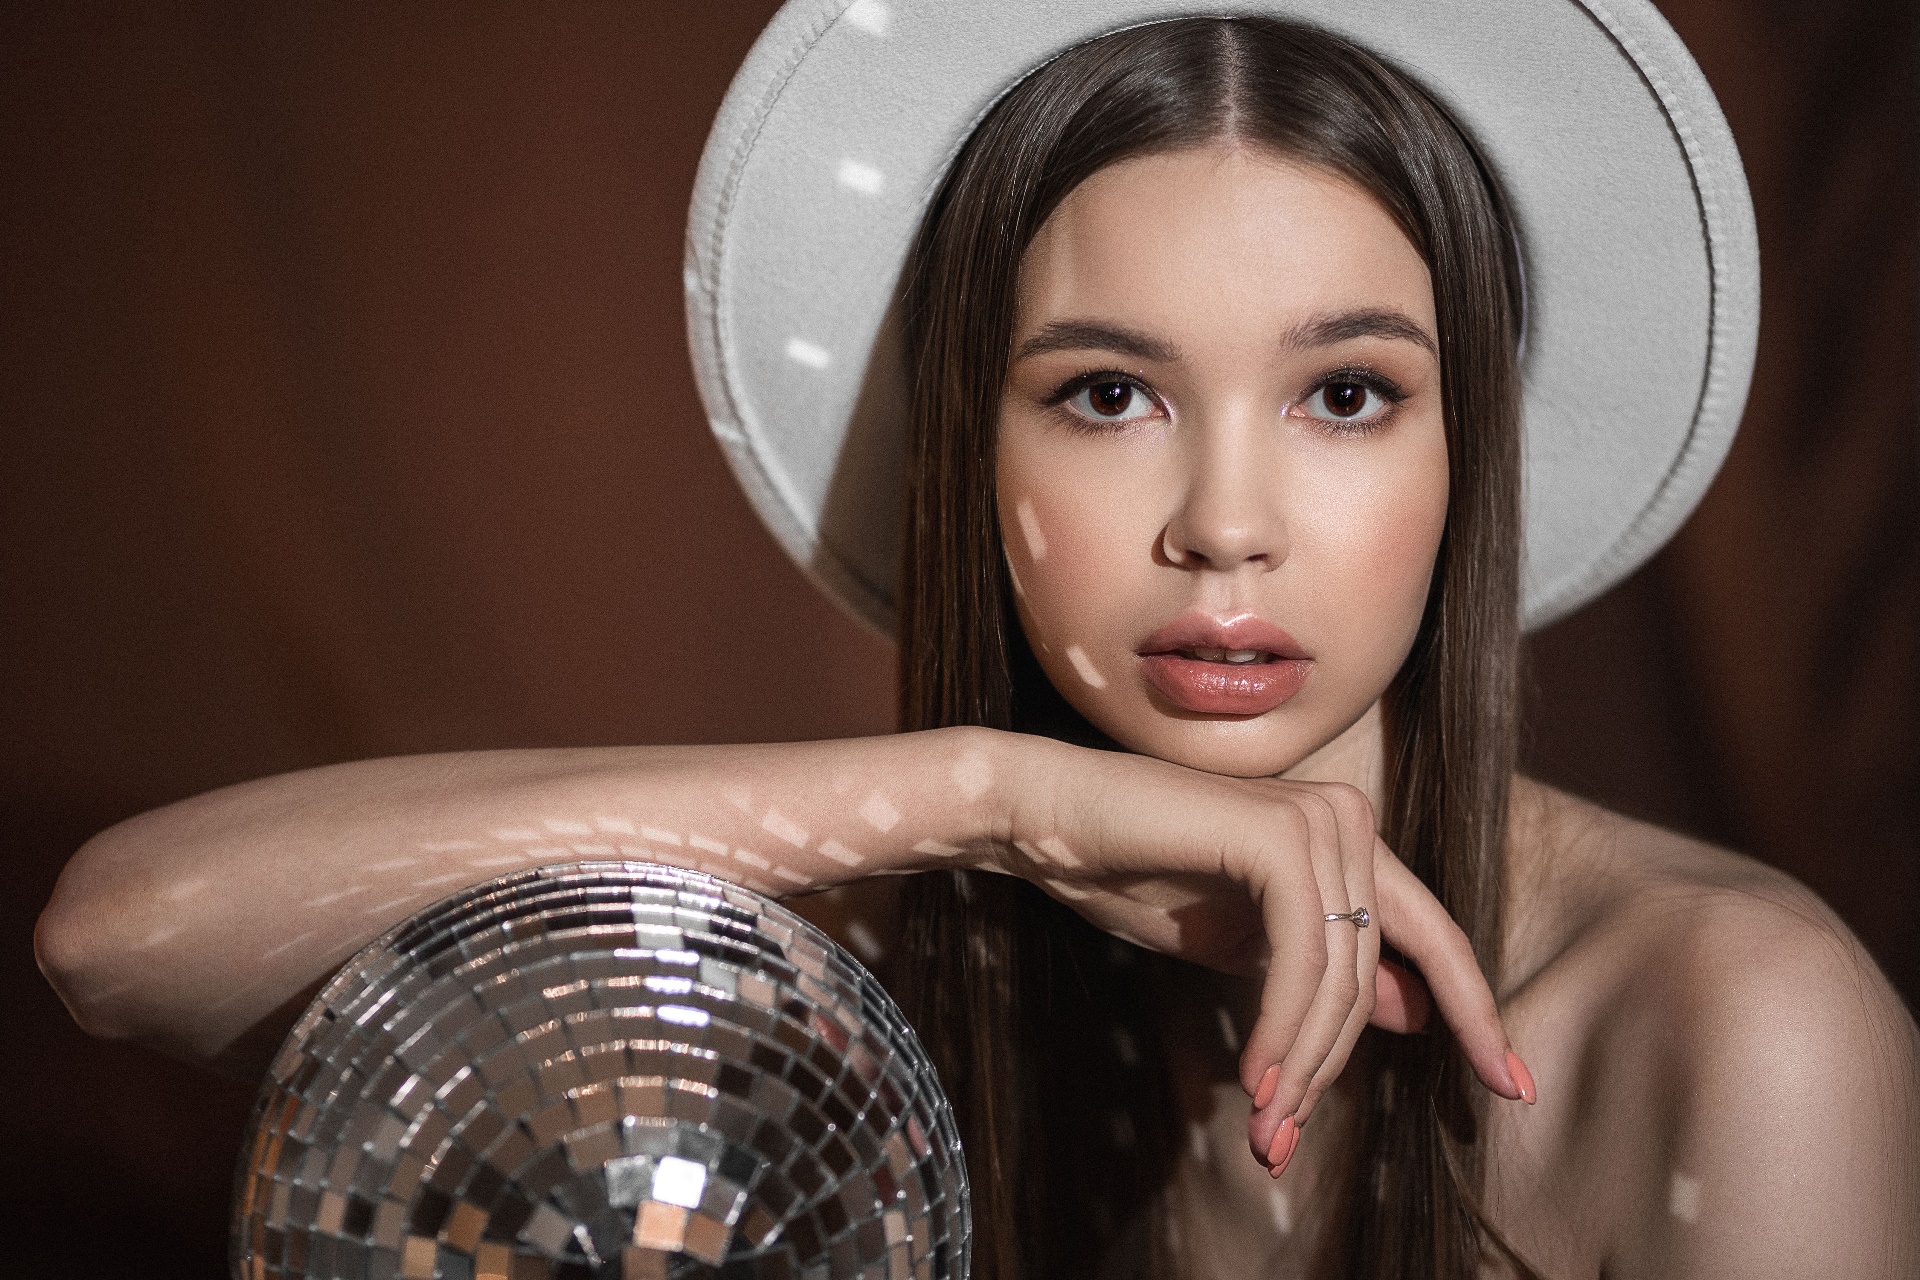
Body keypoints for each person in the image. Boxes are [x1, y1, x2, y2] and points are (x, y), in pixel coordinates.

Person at [36, 5, 1918, 1279]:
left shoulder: (1731, 1028)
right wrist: (984, 794)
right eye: (1108, 395)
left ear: (1466, 453)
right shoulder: (905, 957)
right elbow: (121, 942)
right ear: (976, 450)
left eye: (1348, 394)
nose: (1228, 523)